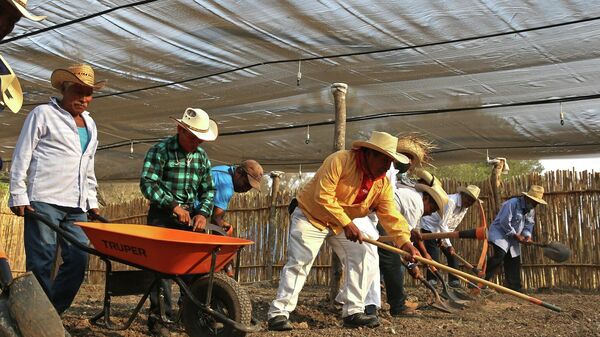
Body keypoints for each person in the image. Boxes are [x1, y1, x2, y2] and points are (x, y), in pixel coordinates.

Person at [267, 131, 419, 331]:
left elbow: (390, 214)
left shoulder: (382, 183)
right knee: (300, 261)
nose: (387, 167)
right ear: (370, 154)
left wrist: (405, 242)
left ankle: (353, 311)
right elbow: (324, 195)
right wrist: (347, 224)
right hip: (311, 215)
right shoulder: (339, 160)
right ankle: (278, 314)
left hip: (340, 223)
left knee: (364, 253)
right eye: (385, 160)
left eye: (390, 162)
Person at [8, 63, 104, 314]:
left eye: (89, 93)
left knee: (79, 259)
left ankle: (50, 313)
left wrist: (91, 201)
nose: (83, 98)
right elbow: (22, 154)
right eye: (78, 91)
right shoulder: (42, 114)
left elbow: (88, 165)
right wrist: (18, 193)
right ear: (64, 87)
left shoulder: (91, 125)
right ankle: (37, 320)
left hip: (77, 205)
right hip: (44, 200)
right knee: (42, 261)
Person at [139, 107, 217, 336]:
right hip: (162, 215)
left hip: (191, 217)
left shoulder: (201, 157)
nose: (196, 143)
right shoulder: (160, 151)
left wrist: (202, 212)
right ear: (179, 130)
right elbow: (148, 184)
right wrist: (173, 205)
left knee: (195, 266)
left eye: (200, 140)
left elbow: (208, 190)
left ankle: (192, 313)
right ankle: (160, 319)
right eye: (193, 138)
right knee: (161, 269)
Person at [376, 168, 448, 317]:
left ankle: (374, 302)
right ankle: (398, 306)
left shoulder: (415, 201)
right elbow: (402, 239)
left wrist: (423, 254)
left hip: (384, 220)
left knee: (380, 262)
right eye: (433, 208)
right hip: (383, 220)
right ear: (426, 198)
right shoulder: (416, 204)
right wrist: (411, 265)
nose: (431, 213)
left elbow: (410, 234)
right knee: (393, 262)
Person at [206, 159, 264, 276]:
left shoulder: (222, 171)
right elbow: (215, 220)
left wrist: (222, 224)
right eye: (246, 183)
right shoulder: (226, 185)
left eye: (250, 187)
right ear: (239, 172)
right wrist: (227, 257)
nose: (247, 189)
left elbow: (216, 218)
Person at [484, 185, 547, 291]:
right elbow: (504, 221)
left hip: (513, 238)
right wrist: (515, 235)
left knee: (514, 259)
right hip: (500, 233)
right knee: (500, 255)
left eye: (537, 203)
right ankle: (479, 281)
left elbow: (529, 224)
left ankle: (515, 287)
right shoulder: (512, 203)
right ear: (528, 198)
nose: (535, 205)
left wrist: (527, 236)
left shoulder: (530, 209)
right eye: (535, 202)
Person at [420, 184, 481, 287]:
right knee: (434, 253)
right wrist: (448, 244)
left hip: (442, 229)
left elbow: (452, 224)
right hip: (429, 225)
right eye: (469, 199)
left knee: (451, 254)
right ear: (463, 195)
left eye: (472, 201)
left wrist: (445, 241)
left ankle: (454, 281)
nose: (470, 203)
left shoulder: (465, 207)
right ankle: (432, 280)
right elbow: (442, 223)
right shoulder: (451, 202)